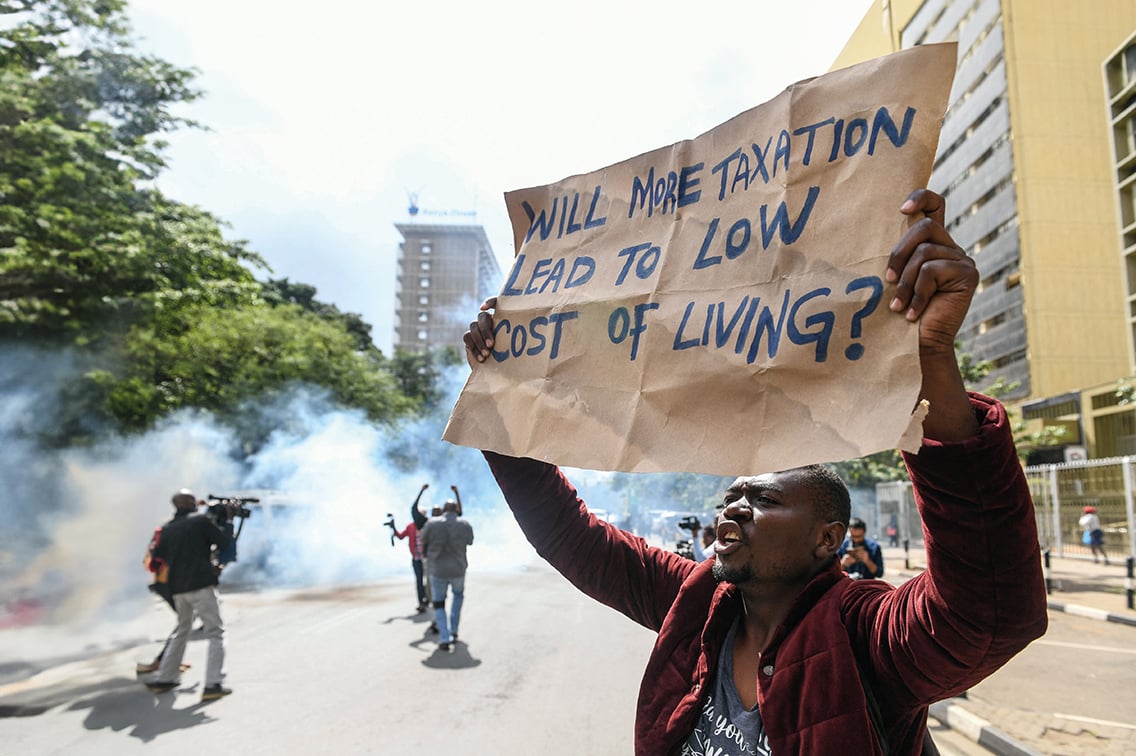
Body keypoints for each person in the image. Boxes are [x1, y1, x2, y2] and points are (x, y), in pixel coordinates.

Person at [462, 189, 1047, 754]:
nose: (733, 507)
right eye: (733, 494)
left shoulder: (865, 636)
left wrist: (930, 358)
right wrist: (505, 399)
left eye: (763, 499)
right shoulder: (697, 601)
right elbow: (574, 539)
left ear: (827, 537)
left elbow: (987, 612)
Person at [143, 489, 234, 701]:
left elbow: (158, 558)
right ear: (192, 503)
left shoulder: (166, 529)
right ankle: (213, 684)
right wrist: (228, 521)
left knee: (181, 631)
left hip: (177, 589)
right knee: (216, 633)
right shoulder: (201, 522)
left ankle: (166, 678)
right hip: (201, 584)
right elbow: (225, 545)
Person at [418, 492, 474, 652]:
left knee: (439, 604)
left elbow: (423, 541)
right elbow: (470, 541)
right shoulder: (464, 524)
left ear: (443, 510)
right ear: (456, 510)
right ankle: (454, 631)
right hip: (458, 569)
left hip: (437, 570)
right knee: (457, 598)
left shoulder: (432, 524)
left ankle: (444, 637)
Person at [391, 483, 430, 612]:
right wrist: (393, 528)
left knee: (430, 581)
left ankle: (428, 599)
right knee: (419, 581)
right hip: (416, 558)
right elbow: (401, 536)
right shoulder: (410, 527)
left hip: (428, 558)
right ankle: (422, 602)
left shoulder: (429, 525)